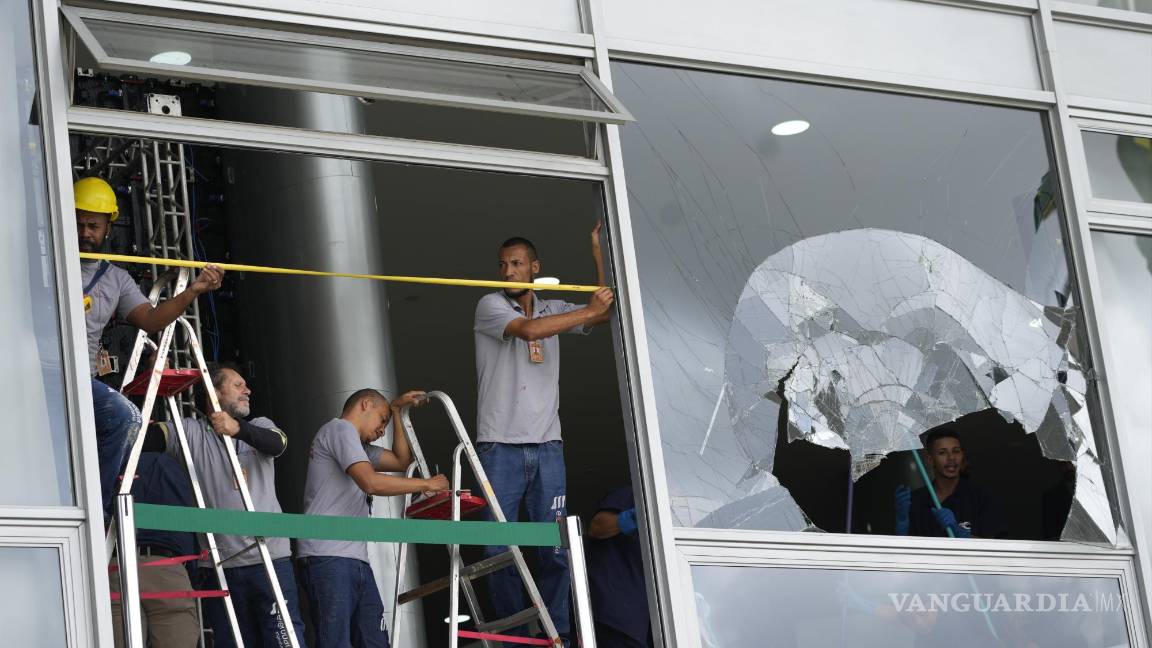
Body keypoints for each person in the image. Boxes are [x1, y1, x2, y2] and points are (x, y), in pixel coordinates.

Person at [473, 224, 614, 642]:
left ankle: (557, 637)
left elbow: (604, 312)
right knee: (498, 550)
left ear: (535, 268)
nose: (508, 272)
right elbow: (531, 331)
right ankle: (519, 638)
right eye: (503, 265)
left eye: (517, 264)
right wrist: (588, 311)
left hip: (548, 446)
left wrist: (598, 252)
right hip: (499, 447)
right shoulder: (490, 305)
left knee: (555, 548)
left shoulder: (553, 307)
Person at [75, 176, 224, 515]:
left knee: (126, 420)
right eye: (79, 224)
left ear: (109, 227)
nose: (85, 233)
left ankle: (96, 506)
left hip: (81, 380)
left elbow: (152, 320)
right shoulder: (47, 259)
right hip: (41, 371)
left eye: (93, 226)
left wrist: (193, 290)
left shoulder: (115, 279)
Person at [143, 363, 305, 647]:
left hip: (270, 558)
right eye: (238, 385)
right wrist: (153, 380)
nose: (248, 390)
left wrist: (238, 428)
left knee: (284, 641)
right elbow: (143, 439)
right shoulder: (191, 431)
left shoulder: (260, 425)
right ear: (214, 392)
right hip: (219, 566)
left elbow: (279, 444)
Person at [297, 388, 449, 648]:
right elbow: (370, 482)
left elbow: (401, 461)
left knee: (375, 641)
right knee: (337, 643)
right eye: (382, 420)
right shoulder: (340, 430)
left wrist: (395, 411)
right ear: (365, 404)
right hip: (327, 555)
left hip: (354, 558)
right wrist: (427, 484)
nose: (382, 431)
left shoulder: (358, 447)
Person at [109, 452, 200, 648]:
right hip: (165, 565)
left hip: (117, 566)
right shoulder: (169, 467)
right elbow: (187, 526)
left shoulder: (112, 463)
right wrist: (191, 571)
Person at [894, 427, 1007, 539]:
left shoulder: (981, 497)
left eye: (956, 451)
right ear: (930, 460)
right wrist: (902, 522)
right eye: (942, 453)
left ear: (962, 455)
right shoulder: (915, 501)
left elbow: (995, 547)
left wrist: (959, 532)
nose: (951, 457)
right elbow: (902, 548)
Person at [585, 486, 653, 648]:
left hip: (650, 623)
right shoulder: (640, 492)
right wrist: (637, 515)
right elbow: (597, 527)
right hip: (615, 616)